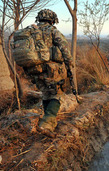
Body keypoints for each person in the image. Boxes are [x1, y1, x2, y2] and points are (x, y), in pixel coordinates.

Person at [25, 9, 73, 137]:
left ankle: (48, 121)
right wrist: (70, 63)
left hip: (34, 70)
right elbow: (64, 48)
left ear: (39, 19)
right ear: (52, 20)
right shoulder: (53, 31)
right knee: (57, 95)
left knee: (46, 94)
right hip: (51, 70)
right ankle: (47, 123)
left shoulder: (30, 31)